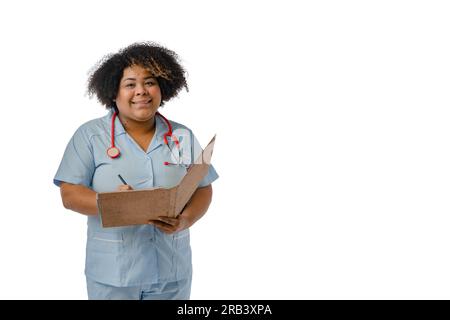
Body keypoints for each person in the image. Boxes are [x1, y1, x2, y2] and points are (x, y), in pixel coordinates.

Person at [53, 42, 219, 300]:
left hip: (171, 271)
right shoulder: (90, 136)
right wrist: (114, 204)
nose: (141, 91)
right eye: (130, 84)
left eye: (150, 82)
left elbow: (203, 187)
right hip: (114, 274)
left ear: (162, 88)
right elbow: (69, 194)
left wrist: (185, 220)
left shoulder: (181, 135)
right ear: (113, 93)